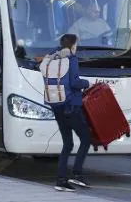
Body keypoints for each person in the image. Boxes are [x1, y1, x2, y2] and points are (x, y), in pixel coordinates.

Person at [40, 34, 91, 192]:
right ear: (73, 45)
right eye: (76, 44)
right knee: (86, 138)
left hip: (57, 106)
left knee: (67, 143)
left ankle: (61, 180)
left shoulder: (52, 58)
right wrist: (87, 83)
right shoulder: (72, 59)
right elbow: (75, 82)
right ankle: (76, 174)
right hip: (71, 106)